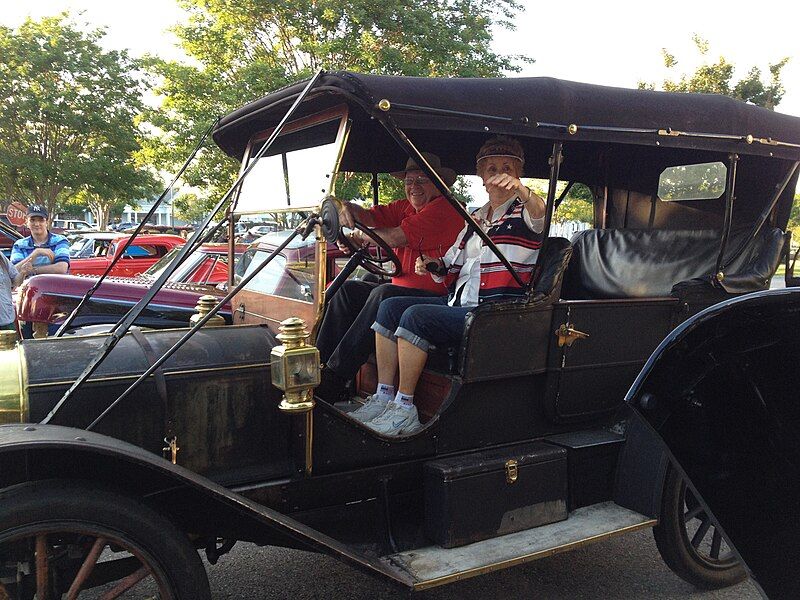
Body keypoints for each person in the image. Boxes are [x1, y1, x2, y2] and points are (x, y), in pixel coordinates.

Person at [354, 135, 547, 435]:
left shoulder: (524, 214)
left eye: (507, 168)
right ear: (482, 176)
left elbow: (540, 214)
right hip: (460, 303)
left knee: (415, 316)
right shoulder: (475, 219)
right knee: (389, 307)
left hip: (496, 311)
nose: (499, 174)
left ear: (518, 174)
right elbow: (449, 264)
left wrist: (524, 191)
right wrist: (432, 264)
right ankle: (383, 396)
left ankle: (405, 409)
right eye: (492, 168)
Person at [315, 153, 464, 400]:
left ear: (438, 183)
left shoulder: (444, 210)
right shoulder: (406, 207)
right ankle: (316, 365)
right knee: (349, 291)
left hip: (436, 294)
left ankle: (336, 377)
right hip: (403, 288)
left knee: (382, 294)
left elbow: (394, 237)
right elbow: (370, 217)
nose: (414, 187)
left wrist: (359, 235)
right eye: (409, 181)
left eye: (422, 180)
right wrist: (344, 208)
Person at [11, 205, 71, 278]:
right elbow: (13, 271)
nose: (37, 224)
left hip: (56, 288)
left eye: (41, 220)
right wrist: (36, 253)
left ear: (47, 222)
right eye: (32, 220)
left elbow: (61, 268)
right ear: (26, 222)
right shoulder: (19, 245)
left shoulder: (60, 240)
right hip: (28, 288)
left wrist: (32, 270)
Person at [0, 252, 24, 335]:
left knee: (13, 347)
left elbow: (16, 281)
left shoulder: (1, 257)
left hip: (6, 318)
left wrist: (23, 272)